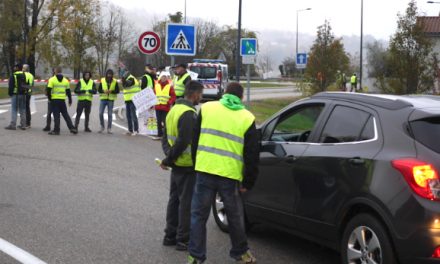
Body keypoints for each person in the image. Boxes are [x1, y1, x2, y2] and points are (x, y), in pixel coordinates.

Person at [187, 82, 259, 264]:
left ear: (225, 93)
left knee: (198, 215)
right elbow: (252, 155)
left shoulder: (207, 108)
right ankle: (241, 253)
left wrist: (198, 163)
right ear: (241, 98)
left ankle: (195, 257)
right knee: (234, 217)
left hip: (205, 169)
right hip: (230, 175)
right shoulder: (247, 117)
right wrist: (248, 182)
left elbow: (194, 140)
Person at [161, 80, 204, 251]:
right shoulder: (189, 114)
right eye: (200, 95)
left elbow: (165, 138)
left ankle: (169, 235)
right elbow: (183, 141)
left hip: (176, 164)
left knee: (174, 201)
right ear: (194, 94)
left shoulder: (174, 110)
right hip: (187, 166)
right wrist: (169, 159)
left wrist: (168, 157)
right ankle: (183, 239)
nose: (201, 98)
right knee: (186, 203)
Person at [46, 66, 77, 135]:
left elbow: (48, 90)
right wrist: (70, 100)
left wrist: (50, 98)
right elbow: (68, 91)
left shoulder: (52, 79)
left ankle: (56, 130)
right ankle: (72, 128)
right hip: (62, 100)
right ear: (61, 71)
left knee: (56, 116)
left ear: (55, 71)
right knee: (66, 115)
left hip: (54, 100)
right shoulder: (65, 80)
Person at [154, 72, 176, 139]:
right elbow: (153, 95)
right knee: (158, 121)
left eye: (165, 77)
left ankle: (165, 135)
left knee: (165, 121)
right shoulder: (157, 85)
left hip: (165, 107)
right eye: (163, 77)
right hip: (158, 106)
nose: (164, 78)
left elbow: (173, 96)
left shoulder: (169, 86)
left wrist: (170, 102)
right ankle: (159, 134)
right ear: (160, 77)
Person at [5, 64, 27, 130]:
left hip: (15, 94)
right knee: (22, 109)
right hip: (23, 94)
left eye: (15, 67)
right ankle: (23, 125)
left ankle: (13, 125)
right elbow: (25, 85)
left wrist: (10, 94)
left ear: (17, 68)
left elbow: (11, 86)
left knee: (14, 109)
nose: (14, 68)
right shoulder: (24, 75)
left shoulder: (14, 75)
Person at [98, 69, 119, 134]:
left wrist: (111, 91)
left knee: (110, 114)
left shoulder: (115, 81)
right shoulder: (102, 80)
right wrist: (103, 91)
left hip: (110, 100)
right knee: (100, 113)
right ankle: (102, 126)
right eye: (108, 74)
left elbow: (117, 91)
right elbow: (99, 90)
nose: (109, 75)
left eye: (110, 74)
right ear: (106, 74)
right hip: (103, 99)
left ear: (112, 75)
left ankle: (109, 128)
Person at [122, 71, 141, 136]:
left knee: (133, 115)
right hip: (128, 100)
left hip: (133, 100)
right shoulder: (128, 78)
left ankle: (136, 130)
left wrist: (123, 80)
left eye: (124, 74)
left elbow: (126, 85)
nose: (123, 75)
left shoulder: (131, 78)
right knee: (128, 115)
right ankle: (130, 130)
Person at [23, 64, 34, 128]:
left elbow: (23, 85)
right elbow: (31, 85)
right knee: (27, 108)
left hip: (24, 93)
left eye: (23, 68)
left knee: (24, 108)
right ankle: (28, 123)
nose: (22, 69)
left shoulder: (24, 75)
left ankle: (25, 123)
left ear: (25, 69)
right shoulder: (31, 75)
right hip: (29, 93)